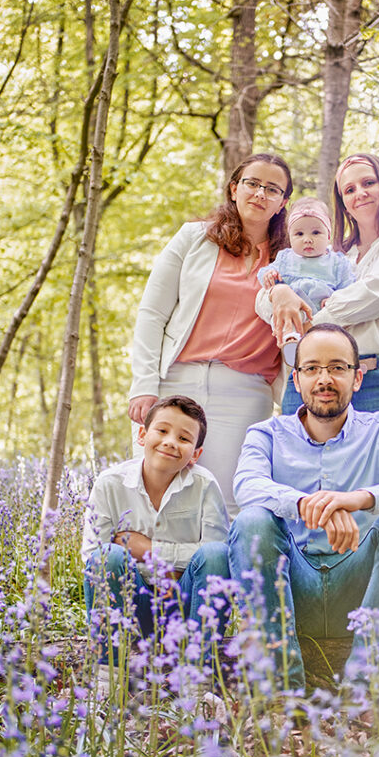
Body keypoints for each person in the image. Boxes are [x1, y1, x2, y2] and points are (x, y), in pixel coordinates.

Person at [228, 325, 379, 692]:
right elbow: (248, 485)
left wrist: (353, 499)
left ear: (357, 378)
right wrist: (306, 503)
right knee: (252, 520)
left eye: (337, 368)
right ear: (296, 379)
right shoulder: (266, 434)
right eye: (312, 368)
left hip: (363, 588)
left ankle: (364, 687)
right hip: (293, 585)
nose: (324, 379)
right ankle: (280, 692)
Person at [128, 153, 293, 515]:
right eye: (251, 183)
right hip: (176, 380)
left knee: (228, 502)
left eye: (272, 189)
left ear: (282, 203)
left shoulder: (291, 259)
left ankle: (221, 574)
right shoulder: (194, 238)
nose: (259, 194)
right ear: (234, 188)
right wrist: (143, 385)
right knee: (155, 497)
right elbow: (152, 313)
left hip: (245, 392)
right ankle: (151, 572)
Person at [257, 154, 379, 451]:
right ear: (342, 202)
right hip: (316, 381)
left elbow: (376, 292)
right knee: (306, 486)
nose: (359, 193)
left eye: (368, 183)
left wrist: (309, 322)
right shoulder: (337, 256)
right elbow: (261, 297)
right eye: (348, 190)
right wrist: (279, 293)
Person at [83, 396, 230, 673]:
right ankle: (107, 675)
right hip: (130, 604)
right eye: (162, 431)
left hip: (188, 607)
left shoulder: (205, 485)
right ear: (142, 434)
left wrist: (149, 550)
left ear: (195, 454)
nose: (171, 442)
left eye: (184, 438)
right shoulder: (109, 484)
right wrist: (174, 562)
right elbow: (93, 556)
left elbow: (218, 556)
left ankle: (197, 674)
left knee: (215, 555)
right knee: (108, 556)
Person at [257, 197, 356, 363]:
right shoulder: (285, 258)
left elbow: (348, 286)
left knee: (327, 338)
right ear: (290, 237)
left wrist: (335, 298)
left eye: (316, 232)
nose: (307, 239)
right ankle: (290, 343)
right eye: (299, 234)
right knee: (288, 319)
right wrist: (269, 275)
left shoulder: (337, 262)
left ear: (329, 235)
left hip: (321, 312)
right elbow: (264, 274)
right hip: (293, 307)